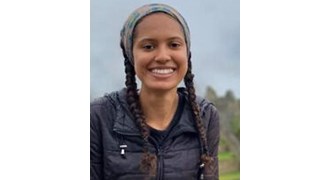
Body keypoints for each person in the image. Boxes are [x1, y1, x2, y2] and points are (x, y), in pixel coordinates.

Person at [90, 3, 220, 180]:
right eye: (148, 46)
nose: (163, 57)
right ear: (130, 54)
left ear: (187, 52)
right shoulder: (99, 117)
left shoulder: (206, 116)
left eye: (174, 44)